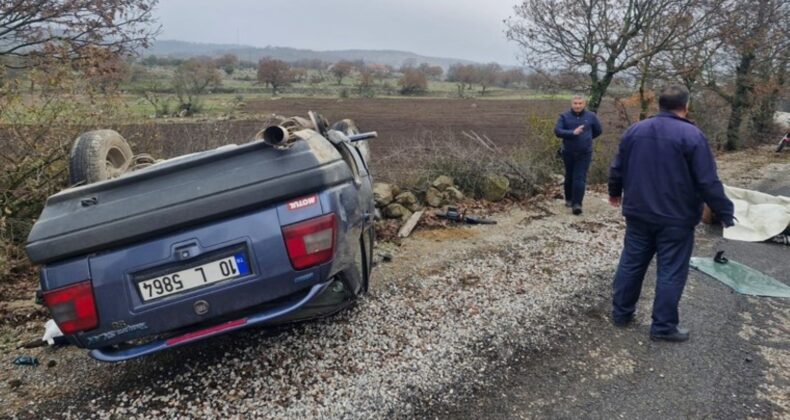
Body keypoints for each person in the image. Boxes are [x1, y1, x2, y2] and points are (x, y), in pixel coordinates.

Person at [608, 85, 734, 342]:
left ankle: (621, 314)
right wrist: (725, 211)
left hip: (638, 212)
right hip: (676, 217)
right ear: (685, 106)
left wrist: (615, 191)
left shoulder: (636, 130)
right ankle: (663, 326)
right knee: (671, 270)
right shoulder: (693, 136)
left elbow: (617, 166)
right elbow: (707, 181)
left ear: (660, 105)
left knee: (631, 263)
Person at [554, 95, 603, 215]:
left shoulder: (591, 116)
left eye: (580, 103)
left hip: (585, 152)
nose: (577, 106)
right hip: (568, 152)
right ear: (572, 104)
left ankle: (577, 204)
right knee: (569, 176)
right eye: (575, 103)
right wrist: (573, 133)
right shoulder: (564, 116)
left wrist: (586, 139)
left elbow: (598, 130)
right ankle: (569, 199)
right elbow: (558, 131)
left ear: (584, 104)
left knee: (579, 177)